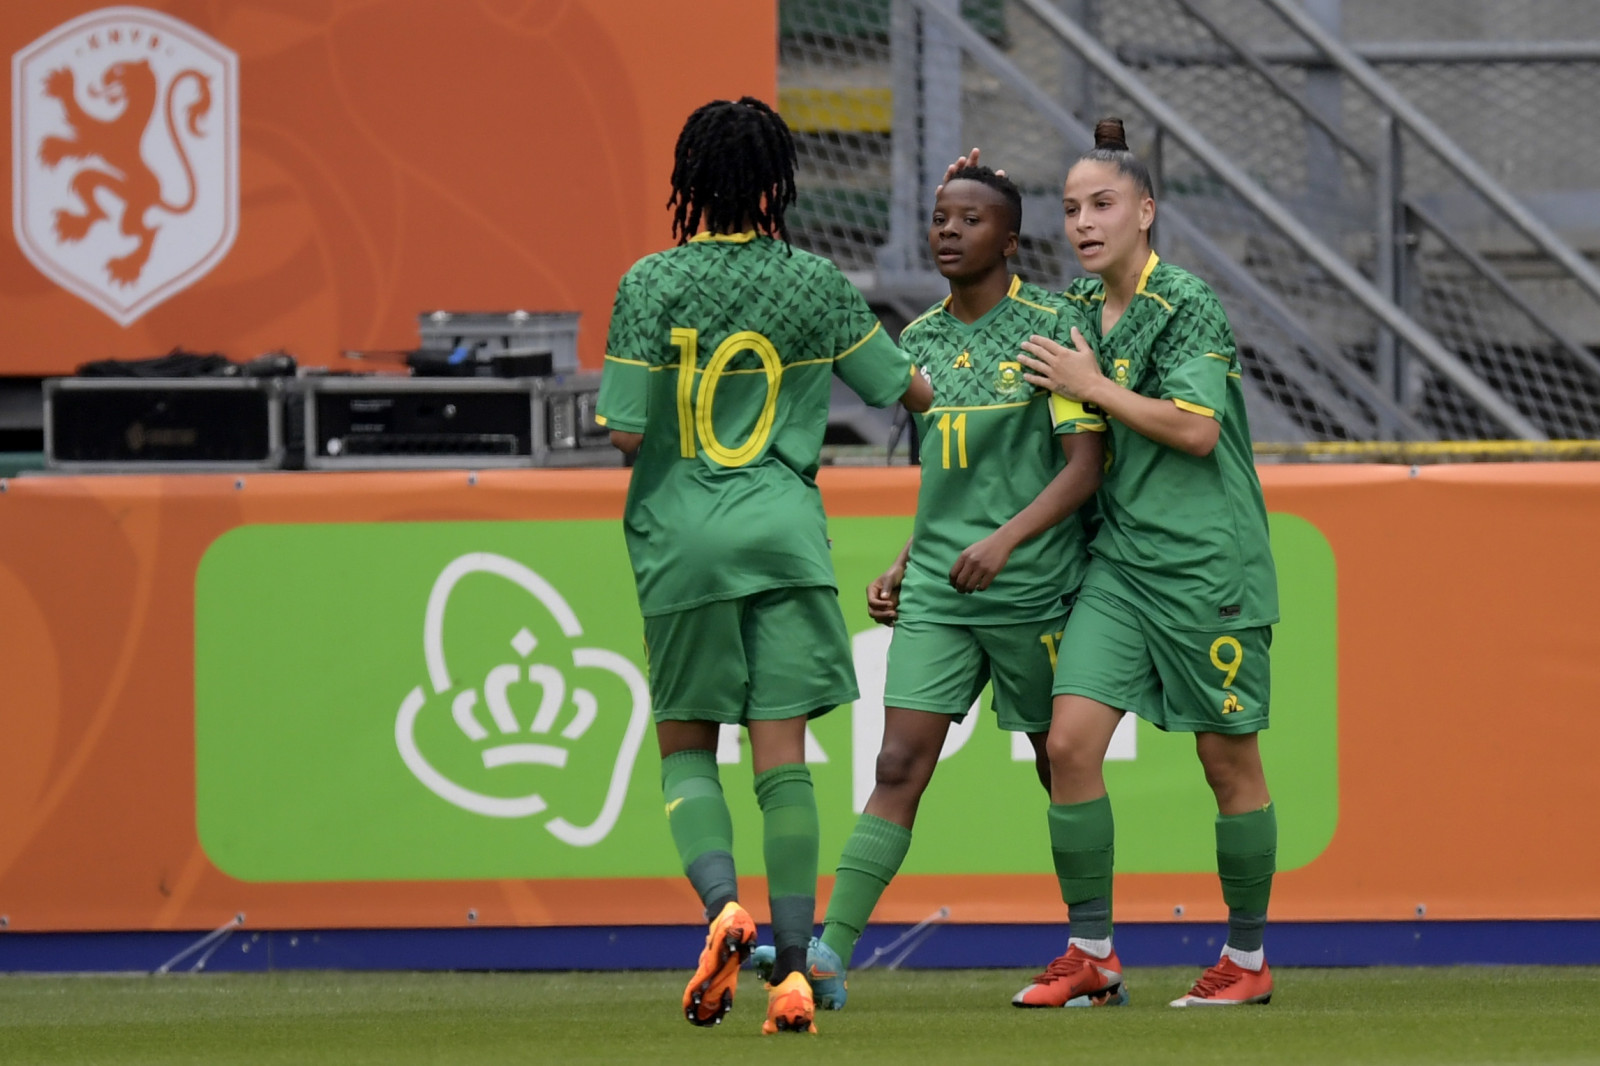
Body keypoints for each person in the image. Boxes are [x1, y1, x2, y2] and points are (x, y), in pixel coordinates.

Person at [595, 96, 933, 1035]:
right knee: (783, 760)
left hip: (685, 542)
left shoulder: (650, 283)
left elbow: (624, 430)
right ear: (775, 183)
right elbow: (909, 390)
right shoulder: (816, 283)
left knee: (687, 750)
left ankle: (722, 912)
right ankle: (791, 972)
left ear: (690, 181)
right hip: (784, 537)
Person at [753, 166, 1105, 1009]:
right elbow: (952, 482)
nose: (949, 231)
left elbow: (1084, 467)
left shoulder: (1051, 329)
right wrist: (906, 562)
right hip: (943, 591)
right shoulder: (915, 340)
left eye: (971, 219)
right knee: (897, 761)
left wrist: (1005, 543)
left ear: (1010, 240)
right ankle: (828, 955)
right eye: (941, 217)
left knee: (1057, 765)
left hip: (1034, 589)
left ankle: (1095, 954)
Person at [1006, 118, 1280, 1008]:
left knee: (1227, 765)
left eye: (1102, 204)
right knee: (1068, 744)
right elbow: (997, 307)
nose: (1083, 223)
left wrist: (1094, 387)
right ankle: (1092, 952)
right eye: (1070, 209)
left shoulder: (1187, 302)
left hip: (1208, 569)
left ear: (1146, 212)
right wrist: (976, 194)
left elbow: (1196, 431)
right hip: (1121, 567)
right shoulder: (1076, 309)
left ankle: (1247, 961)